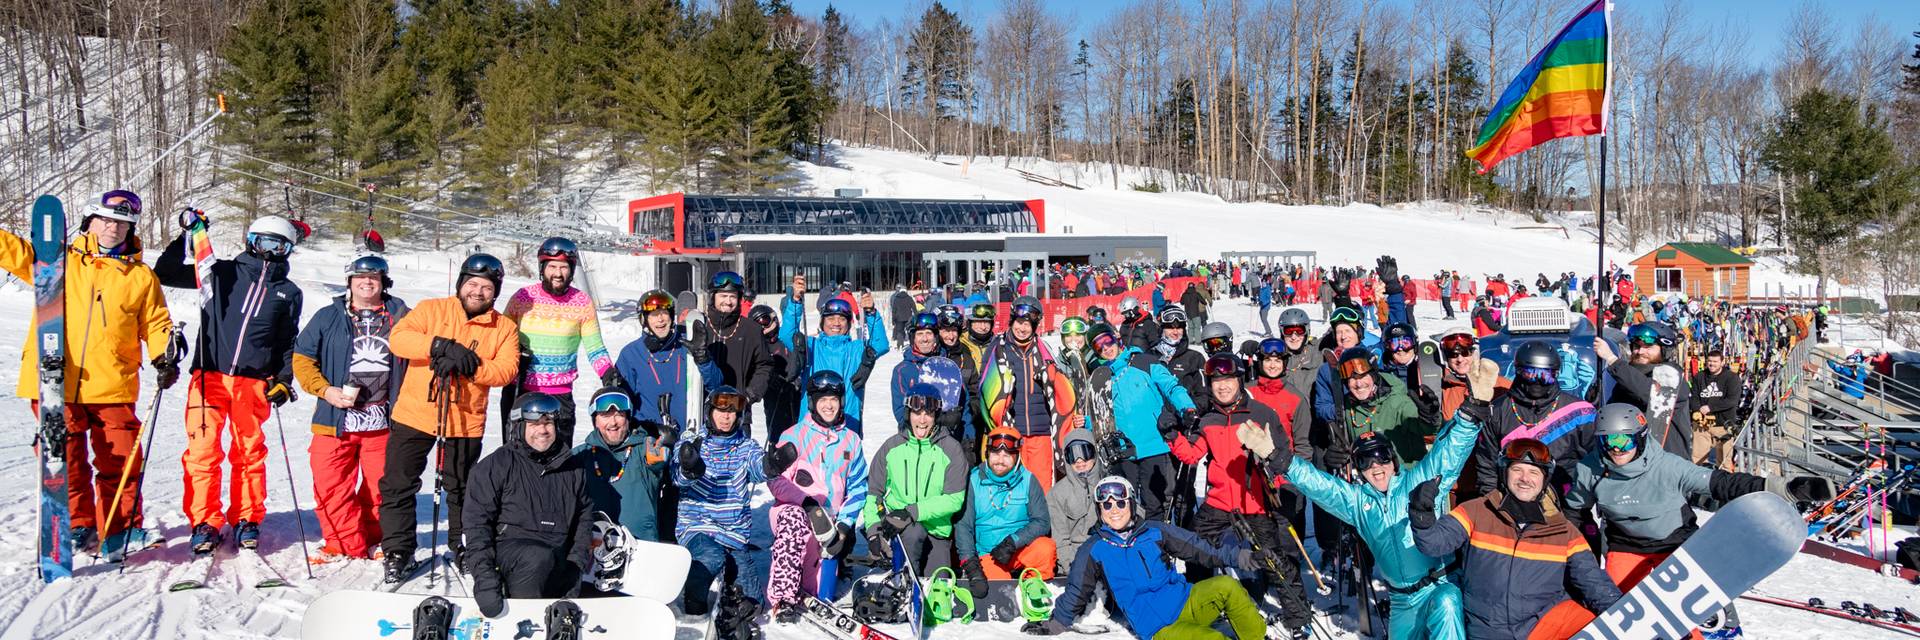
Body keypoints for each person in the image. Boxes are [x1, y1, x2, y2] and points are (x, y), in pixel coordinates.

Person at [1253, 356, 1500, 640]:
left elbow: (1448, 456)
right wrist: (1279, 459)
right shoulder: (1357, 502)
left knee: (1447, 604)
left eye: (1382, 457)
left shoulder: (1414, 484)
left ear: (1393, 462)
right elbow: (1319, 485)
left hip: (1436, 589)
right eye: (1366, 461)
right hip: (1400, 601)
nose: (1376, 467)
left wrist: (1473, 410)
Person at [3, 189, 176, 558]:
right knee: (64, 461)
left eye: (124, 223)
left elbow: (156, 322)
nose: (114, 228)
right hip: (54, 381)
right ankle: (77, 527)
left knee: (121, 460)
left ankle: (118, 531)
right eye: (108, 220)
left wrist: (164, 355)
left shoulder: (141, 276)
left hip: (112, 382)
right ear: (89, 222)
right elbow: (11, 251)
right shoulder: (55, 259)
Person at [1565, 404, 1808, 640]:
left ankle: (1717, 629)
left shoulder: (1668, 466)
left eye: (1623, 441)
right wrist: (1585, 552)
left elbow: (1719, 483)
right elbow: (1577, 510)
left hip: (1674, 545)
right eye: (1607, 441)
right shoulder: (1590, 469)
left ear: (1639, 438)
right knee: (1616, 608)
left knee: (1679, 611)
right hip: (1625, 544)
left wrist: (1778, 487)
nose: (1616, 450)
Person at [156, 212, 305, 553]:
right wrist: (188, 236)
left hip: (253, 383)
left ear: (288, 250)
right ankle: (205, 522)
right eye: (265, 242)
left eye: (279, 245)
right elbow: (164, 273)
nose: (271, 250)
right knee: (203, 452)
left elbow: (287, 341)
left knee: (249, 452)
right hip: (209, 375)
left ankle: (246, 519)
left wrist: (283, 378)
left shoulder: (288, 292)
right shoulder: (219, 272)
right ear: (251, 240)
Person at [378, 254, 521, 583]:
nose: (478, 292)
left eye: (486, 287)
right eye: (472, 284)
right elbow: (399, 339)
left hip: (464, 421)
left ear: (495, 292)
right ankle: (398, 550)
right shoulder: (431, 309)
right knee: (398, 485)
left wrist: (470, 364)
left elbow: (506, 370)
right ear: (460, 284)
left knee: (462, 489)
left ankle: (463, 546)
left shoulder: (504, 328)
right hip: (415, 414)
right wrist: (440, 346)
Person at [1409, 437, 1622, 640]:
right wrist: (1422, 513)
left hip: (1544, 624)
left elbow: (1592, 580)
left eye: (1534, 472)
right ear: (1505, 473)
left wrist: (1622, 616)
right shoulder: (1476, 512)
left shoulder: (1563, 531)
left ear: (1544, 479)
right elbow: (1433, 542)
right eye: (1517, 469)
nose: (1525, 479)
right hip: (1489, 629)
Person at [1169, 354, 1315, 638]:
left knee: (1274, 560)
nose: (1222, 387)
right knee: (1196, 550)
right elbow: (1191, 455)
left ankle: (1298, 617)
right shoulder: (1207, 419)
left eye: (1228, 380)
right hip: (1219, 502)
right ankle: (1200, 607)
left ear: (1239, 381)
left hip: (1255, 502)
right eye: (1216, 382)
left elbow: (1283, 455)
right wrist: (1171, 434)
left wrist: (1270, 467)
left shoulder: (1261, 414)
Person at [1035, 476, 1269, 639]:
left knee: (1226, 585)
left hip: (1186, 601)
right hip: (1159, 627)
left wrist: (1241, 558)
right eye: (1106, 505)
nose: (1114, 509)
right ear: (1100, 511)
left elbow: (1199, 548)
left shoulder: (1154, 531)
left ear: (1131, 503)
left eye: (1120, 502)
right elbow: (1077, 591)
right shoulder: (1094, 549)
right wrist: (1055, 623)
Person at [291, 255, 410, 561]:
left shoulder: (402, 316)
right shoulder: (328, 316)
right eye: (360, 277)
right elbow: (303, 358)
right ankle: (343, 544)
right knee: (330, 486)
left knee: (379, 488)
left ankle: (373, 538)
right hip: (335, 419)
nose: (367, 282)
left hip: (383, 420)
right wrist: (325, 390)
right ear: (349, 282)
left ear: (384, 283)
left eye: (374, 277)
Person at [463, 393, 591, 617]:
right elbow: (476, 526)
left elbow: (584, 518)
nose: (542, 430)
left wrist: (575, 564)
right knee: (536, 556)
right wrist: (485, 580)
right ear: (519, 426)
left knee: (558, 567)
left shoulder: (573, 468)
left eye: (548, 423)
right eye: (534, 424)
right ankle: (525, 619)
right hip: (510, 557)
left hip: (555, 558)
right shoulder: (496, 465)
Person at [499, 237, 615, 448]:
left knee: (558, 460)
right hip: (521, 390)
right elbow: (501, 336)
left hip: (559, 396)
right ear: (542, 268)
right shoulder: (522, 297)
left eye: (564, 267)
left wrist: (608, 373)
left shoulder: (582, 302)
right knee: (516, 458)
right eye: (552, 266)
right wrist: (515, 351)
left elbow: (595, 346)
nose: (558, 273)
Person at [672, 386, 770, 631]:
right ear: (709, 412)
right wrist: (689, 466)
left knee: (753, 604)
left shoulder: (746, 447)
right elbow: (677, 478)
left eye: (732, 412)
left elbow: (759, 467)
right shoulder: (693, 442)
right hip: (698, 527)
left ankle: (727, 590)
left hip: (732, 534)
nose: (726, 417)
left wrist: (772, 464)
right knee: (712, 555)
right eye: (720, 410)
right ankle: (693, 601)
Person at [772, 371, 870, 600]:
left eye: (833, 400)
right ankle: (783, 597)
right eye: (822, 400)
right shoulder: (794, 435)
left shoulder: (851, 441)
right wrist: (807, 504)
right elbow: (776, 481)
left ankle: (817, 576)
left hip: (829, 525)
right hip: (795, 514)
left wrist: (844, 527)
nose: (828, 406)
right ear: (812, 402)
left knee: (821, 593)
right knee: (793, 522)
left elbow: (858, 487)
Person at [1086, 328, 1197, 522]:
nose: (1106, 348)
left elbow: (1171, 386)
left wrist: (1186, 407)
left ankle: (1156, 543)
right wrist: (1087, 423)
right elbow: (1101, 414)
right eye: (1099, 346)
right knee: (1126, 503)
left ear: (1117, 339)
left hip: (1153, 445)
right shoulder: (1102, 377)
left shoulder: (1144, 362)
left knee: (1154, 502)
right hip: (1124, 450)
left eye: (1107, 341)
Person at [862, 384, 968, 575]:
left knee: (938, 583)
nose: (922, 420)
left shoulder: (951, 449)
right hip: (901, 530)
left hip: (937, 532)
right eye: (916, 413)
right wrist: (873, 531)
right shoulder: (892, 447)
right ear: (908, 414)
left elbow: (954, 499)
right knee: (913, 534)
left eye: (928, 413)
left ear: (936, 416)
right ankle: (902, 584)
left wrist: (913, 512)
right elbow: (873, 494)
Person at [1469, 340, 1596, 497]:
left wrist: (1580, 504)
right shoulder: (1498, 411)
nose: (1538, 381)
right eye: (1531, 374)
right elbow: (1487, 463)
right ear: (1518, 372)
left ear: (1557, 374)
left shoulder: (1579, 412)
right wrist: (1492, 500)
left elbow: (1594, 460)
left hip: (1564, 498)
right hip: (1513, 497)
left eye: (1546, 376)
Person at [980, 301, 1077, 488]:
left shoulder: (1044, 351)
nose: (1022, 328)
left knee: (1041, 487)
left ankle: (1041, 518)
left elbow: (1061, 388)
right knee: (1011, 486)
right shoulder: (997, 349)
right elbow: (985, 388)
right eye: (1018, 322)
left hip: (1041, 432)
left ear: (1034, 326)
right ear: (1011, 321)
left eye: (1027, 324)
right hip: (1009, 433)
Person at [957, 427, 1057, 599]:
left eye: (1007, 455)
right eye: (996, 454)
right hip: (989, 554)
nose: (1000, 460)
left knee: (1045, 549)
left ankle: (1034, 591)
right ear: (987, 453)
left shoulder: (1028, 480)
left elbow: (1042, 521)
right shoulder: (973, 480)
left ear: (1016, 456)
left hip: (1019, 549)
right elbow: (963, 525)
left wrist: (1013, 542)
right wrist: (971, 565)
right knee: (999, 587)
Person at [781, 275, 888, 434]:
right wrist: (796, 301)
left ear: (849, 323)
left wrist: (871, 313)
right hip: (811, 430)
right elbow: (787, 335)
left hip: (847, 427)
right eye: (830, 318)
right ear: (822, 322)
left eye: (842, 319)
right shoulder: (810, 346)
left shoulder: (857, 349)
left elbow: (880, 345)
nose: (836, 323)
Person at [574, 386, 670, 542]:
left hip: (642, 546)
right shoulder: (580, 456)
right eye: (605, 415)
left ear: (628, 417)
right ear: (595, 420)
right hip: (593, 545)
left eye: (619, 414)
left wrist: (670, 462)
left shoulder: (645, 449)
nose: (613, 422)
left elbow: (668, 469)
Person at [1593, 323, 1692, 459]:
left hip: (1668, 461)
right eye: (1637, 346)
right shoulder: (1627, 378)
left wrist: (1612, 359)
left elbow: (1650, 393)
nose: (1640, 352)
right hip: (1631, 457)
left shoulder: (1673, 376)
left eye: (1648, 347)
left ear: (1664, 350)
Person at [695, 271, 773, 428]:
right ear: (713, 297)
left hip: (738, 412)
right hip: (701, 413)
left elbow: (765, 365)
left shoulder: (751, 329)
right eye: (723, 296)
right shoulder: (700, 327)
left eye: (732, 296)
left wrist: (750, 394)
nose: (728, 301)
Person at [1047, 430, 1105, 576]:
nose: (1079, 460)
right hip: (1077, 559)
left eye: (1085, 452)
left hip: (1108, 554)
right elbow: (1059, 540)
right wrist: (1073, 568)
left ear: (1094, 454)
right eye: (1072, 455)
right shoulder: (1057, 493)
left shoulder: (1109, 483)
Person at [751, 304, 807, 444]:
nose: (762, 327)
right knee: (779, 435)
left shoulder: (785, 338)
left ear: (774, 319)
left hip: (798, 393)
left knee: (802, 433)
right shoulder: (757, 347)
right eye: (756, 324)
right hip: (775, 397)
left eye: (764, 321)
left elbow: (790, 321)